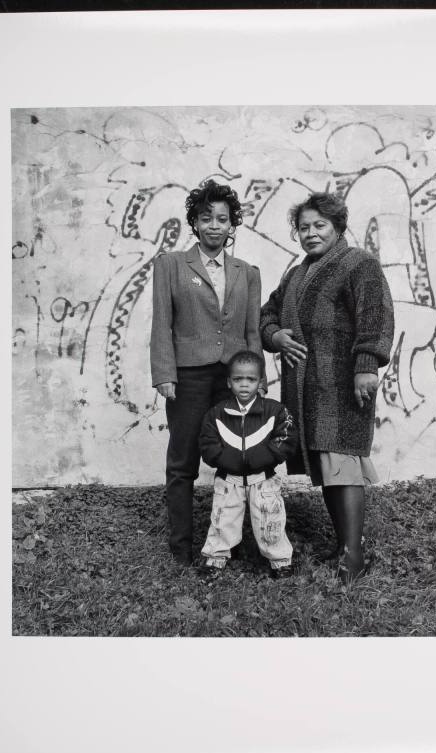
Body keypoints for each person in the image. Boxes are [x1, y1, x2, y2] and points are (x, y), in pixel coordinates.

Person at [259, 192, 394, 582]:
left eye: (320, 225)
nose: (311, 233)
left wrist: (366, 367)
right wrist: (276, 336)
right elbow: (268, 312)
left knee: (344, 462)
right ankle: (342, 543)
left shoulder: (359, 264)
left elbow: (376, 316)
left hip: (342, 384)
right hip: (307, 389)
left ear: (338, 227)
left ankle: (353, 556)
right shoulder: (298, 273)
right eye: (304, 227)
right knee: (327, 464)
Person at [150, 180, 264, 566]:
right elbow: (162, 324)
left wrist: (255, 378)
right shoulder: (170, 264)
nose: (214, 225)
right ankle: (181, 546)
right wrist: (164, 373)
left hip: (233, 378)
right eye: (206, 218)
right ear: (194, 223)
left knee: (236, 460)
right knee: (183, 461)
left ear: (233, 225)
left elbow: (251, 331)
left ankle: (227, 543)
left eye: (223, 219)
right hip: (189, 375)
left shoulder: (247, 272)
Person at [198, 350, 297, 578]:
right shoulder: (217, 414)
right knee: (223, 519)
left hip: (263, 480)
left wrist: (263, 457)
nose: (244, 385)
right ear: (228, 382)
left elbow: (288, 437)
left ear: (260, 381)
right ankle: (216, 558)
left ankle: (280, 561)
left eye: (251, 380)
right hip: (229, 481)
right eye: (238, 379)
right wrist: (224, 459)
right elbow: (207, 442)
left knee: (270, 521)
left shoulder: (275, 411)